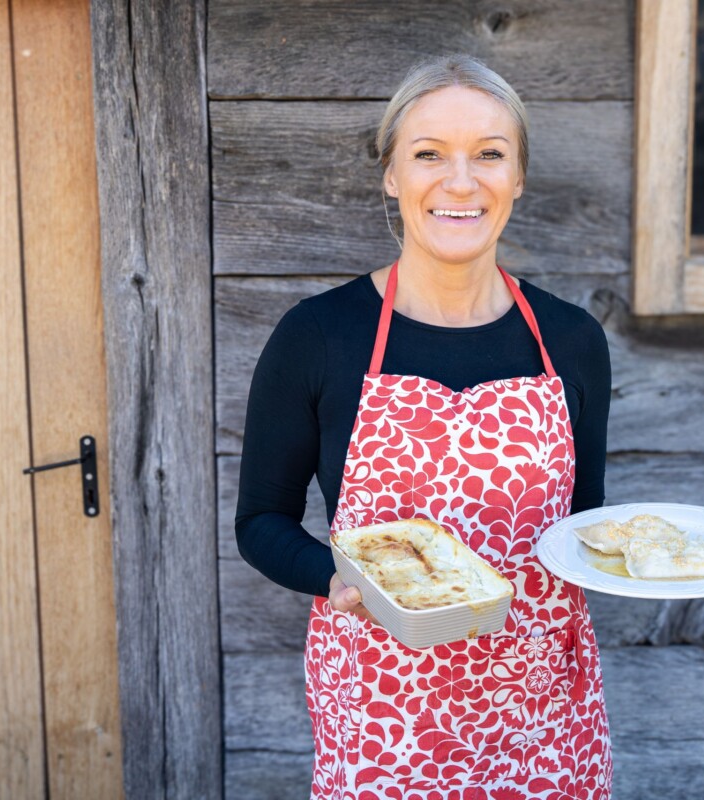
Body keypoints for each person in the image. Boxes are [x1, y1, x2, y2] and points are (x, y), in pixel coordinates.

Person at [235, 54, 612, 800]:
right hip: (383, 717)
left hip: (543, 721)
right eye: (429, 154)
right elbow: (261, 520)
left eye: (490, 155)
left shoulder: (571, 341)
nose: (461, 181)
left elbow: (585, 519)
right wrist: (336, 580)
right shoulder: (319, 336)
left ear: (520, 176)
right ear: (391, 175)